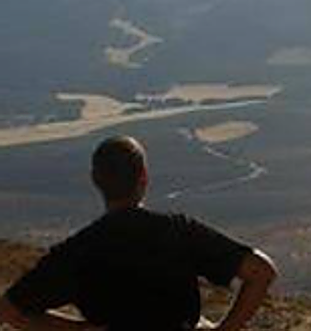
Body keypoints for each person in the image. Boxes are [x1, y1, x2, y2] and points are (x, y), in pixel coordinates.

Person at [0, 135, 277, 331]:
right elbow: (261, 272)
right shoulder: (178, 230)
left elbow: (9, 311)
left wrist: (78, 329)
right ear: (144, 177)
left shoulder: (78, 250)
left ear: (96, 180)